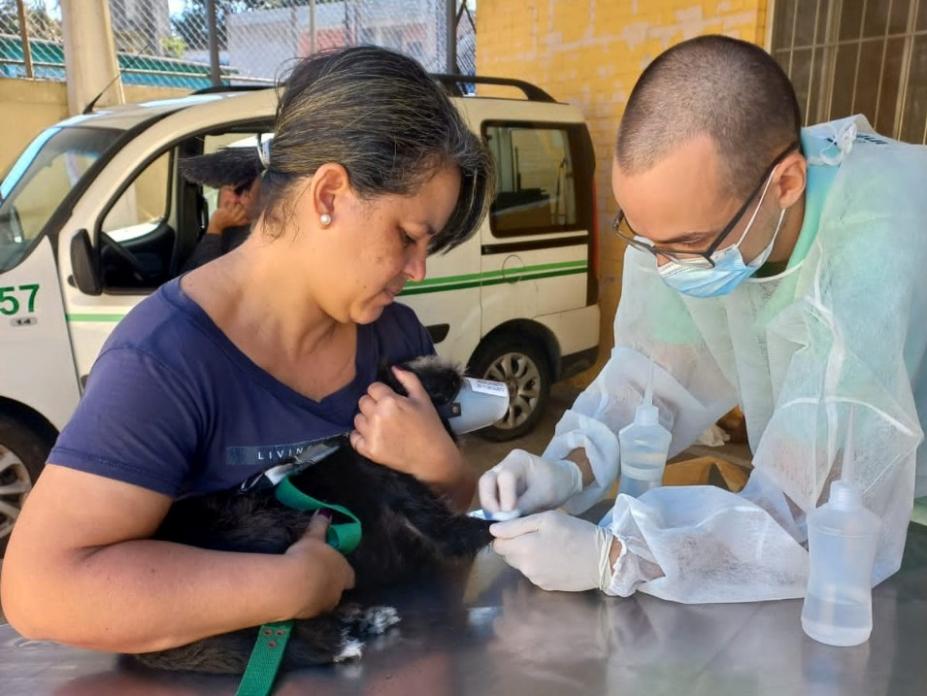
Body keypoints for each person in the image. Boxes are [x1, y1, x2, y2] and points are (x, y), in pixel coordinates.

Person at [0, 46, 493, 651]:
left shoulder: (396, 336)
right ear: (330, 195)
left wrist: (445, 469)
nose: (417, 270)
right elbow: (40, 591)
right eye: (408, 236)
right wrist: (283, 586)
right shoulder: (167, 360)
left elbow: (445, 517)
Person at [479, 34, 927, 603]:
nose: (665, 268)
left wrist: (618, 556)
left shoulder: (877, 242)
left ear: (786, 184)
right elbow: (651, 382)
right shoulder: (696, 219)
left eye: (686, 245)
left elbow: (816, 511)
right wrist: (567, 469)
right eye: (649, 242)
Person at [180, 150, 262, 272]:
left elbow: (206, 281)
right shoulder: (227, 227)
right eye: (229, 190)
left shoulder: (254, 238)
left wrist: (215, 228)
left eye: (245, 193)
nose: (234, 200)